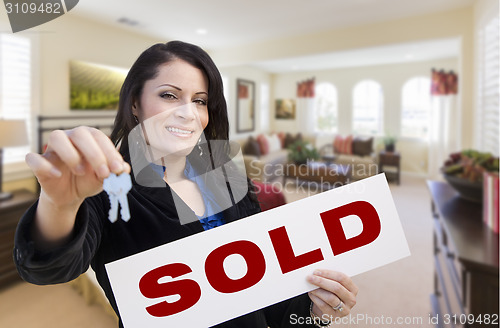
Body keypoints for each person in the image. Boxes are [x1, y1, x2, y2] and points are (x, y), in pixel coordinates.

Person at [14, 41, 358, 327]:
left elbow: (264, 280)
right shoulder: (105, 188)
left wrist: (314, 311)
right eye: (169, 95)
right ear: (135, 102)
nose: (188, 113)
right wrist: (59, 203)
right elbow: (49, 268)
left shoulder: (224, 173)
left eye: (200, 100)